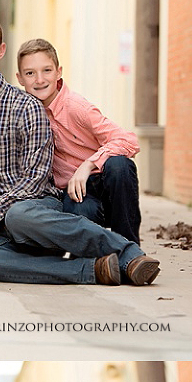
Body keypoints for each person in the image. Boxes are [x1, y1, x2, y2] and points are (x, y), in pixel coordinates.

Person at [0, 13, 160, 287]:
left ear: (1, 50)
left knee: (19, 215)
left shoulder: (27, 106)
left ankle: (127, 252)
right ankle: (94, 269)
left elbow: (35, 179)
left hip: (35, 215)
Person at [17, 38, 142, 245]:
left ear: (59, 72)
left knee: (119, 165)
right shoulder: (24, 114)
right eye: (30, 73)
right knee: (78, 210)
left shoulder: (76, 107)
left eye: (47, 70)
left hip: (105, 183)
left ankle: (130, 250)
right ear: (20, 78)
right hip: (76, 195)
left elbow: (129, 141)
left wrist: (88, 165)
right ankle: (101, 255)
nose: (39, 79)